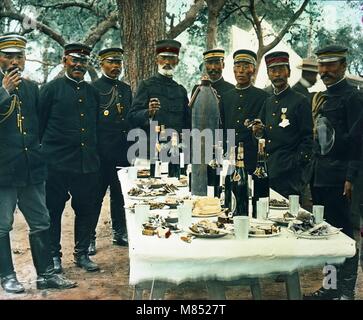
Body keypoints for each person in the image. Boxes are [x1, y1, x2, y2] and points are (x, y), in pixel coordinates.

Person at [0, 34, 76, 293]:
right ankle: (7, 276)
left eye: (18, 56)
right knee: (2, 225)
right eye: (8, 56)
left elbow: (41, 127)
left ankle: (46, 275)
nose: (14, 62)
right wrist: (4, 91)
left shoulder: (33, 89)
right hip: (3, 171)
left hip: (32, 168)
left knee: (41, 221)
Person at [304, 45, 363, 300]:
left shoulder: (354, 98)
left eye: (331, 65)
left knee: (346, 235)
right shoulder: (320, 97)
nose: (325, 70)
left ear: (343, 66)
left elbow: (358, 142)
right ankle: (330, 288)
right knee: (326, 233)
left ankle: (346, 293)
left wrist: (350, 177)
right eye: (322, 65)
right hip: (320, 177)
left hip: (342, 178)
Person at [39, 43, 101, 273]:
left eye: (83, 62)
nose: (79, 65)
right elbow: (39, 126)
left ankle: (82, 253)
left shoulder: (92, 92)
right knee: (53, 210)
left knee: (85, 208)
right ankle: (54, 256)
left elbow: (95, 126)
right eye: (74, 60)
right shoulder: (50, 89)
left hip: (86, 163)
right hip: (55, 163)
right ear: (64, 60)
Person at [89, 48, 132, 254]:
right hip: (100, 152)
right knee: (95, 196)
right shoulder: (93, 88)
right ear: (101, 64)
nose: (116, 66)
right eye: (111, 62)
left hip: (122, 151)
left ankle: (119, 232)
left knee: (120, 194)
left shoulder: (126, 89)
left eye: (118, 63)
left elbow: (129, 119)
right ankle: (89, 236)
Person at [252, 51, 313, 198]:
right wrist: (258, 132)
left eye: (281, 69)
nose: (277, 74)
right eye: (273, 70)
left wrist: (296, 164)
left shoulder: (300, 101)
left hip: (290, 175)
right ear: (268, 74)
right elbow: (262, 132)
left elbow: (308, 138)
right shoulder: (268, 102)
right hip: (269, 170)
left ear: (289, 72)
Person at [127, 39, 189, 148]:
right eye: (163, 58)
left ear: (177, 61)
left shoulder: (181, 91)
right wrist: (149, 112)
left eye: (171, 58)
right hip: (150, 150)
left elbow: (187, 123)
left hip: (175, 151)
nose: (167, 62)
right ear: (156, 60)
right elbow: (132, 117)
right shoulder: (146, 86)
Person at [220, 49, 269, 174]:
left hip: (252, 158)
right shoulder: (226, 97)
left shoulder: (263, 97)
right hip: (228, 157)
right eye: (237, 66)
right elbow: (222, 128)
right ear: (233, 69)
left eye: (246, 66)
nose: (241, 71)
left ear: (253, 70)